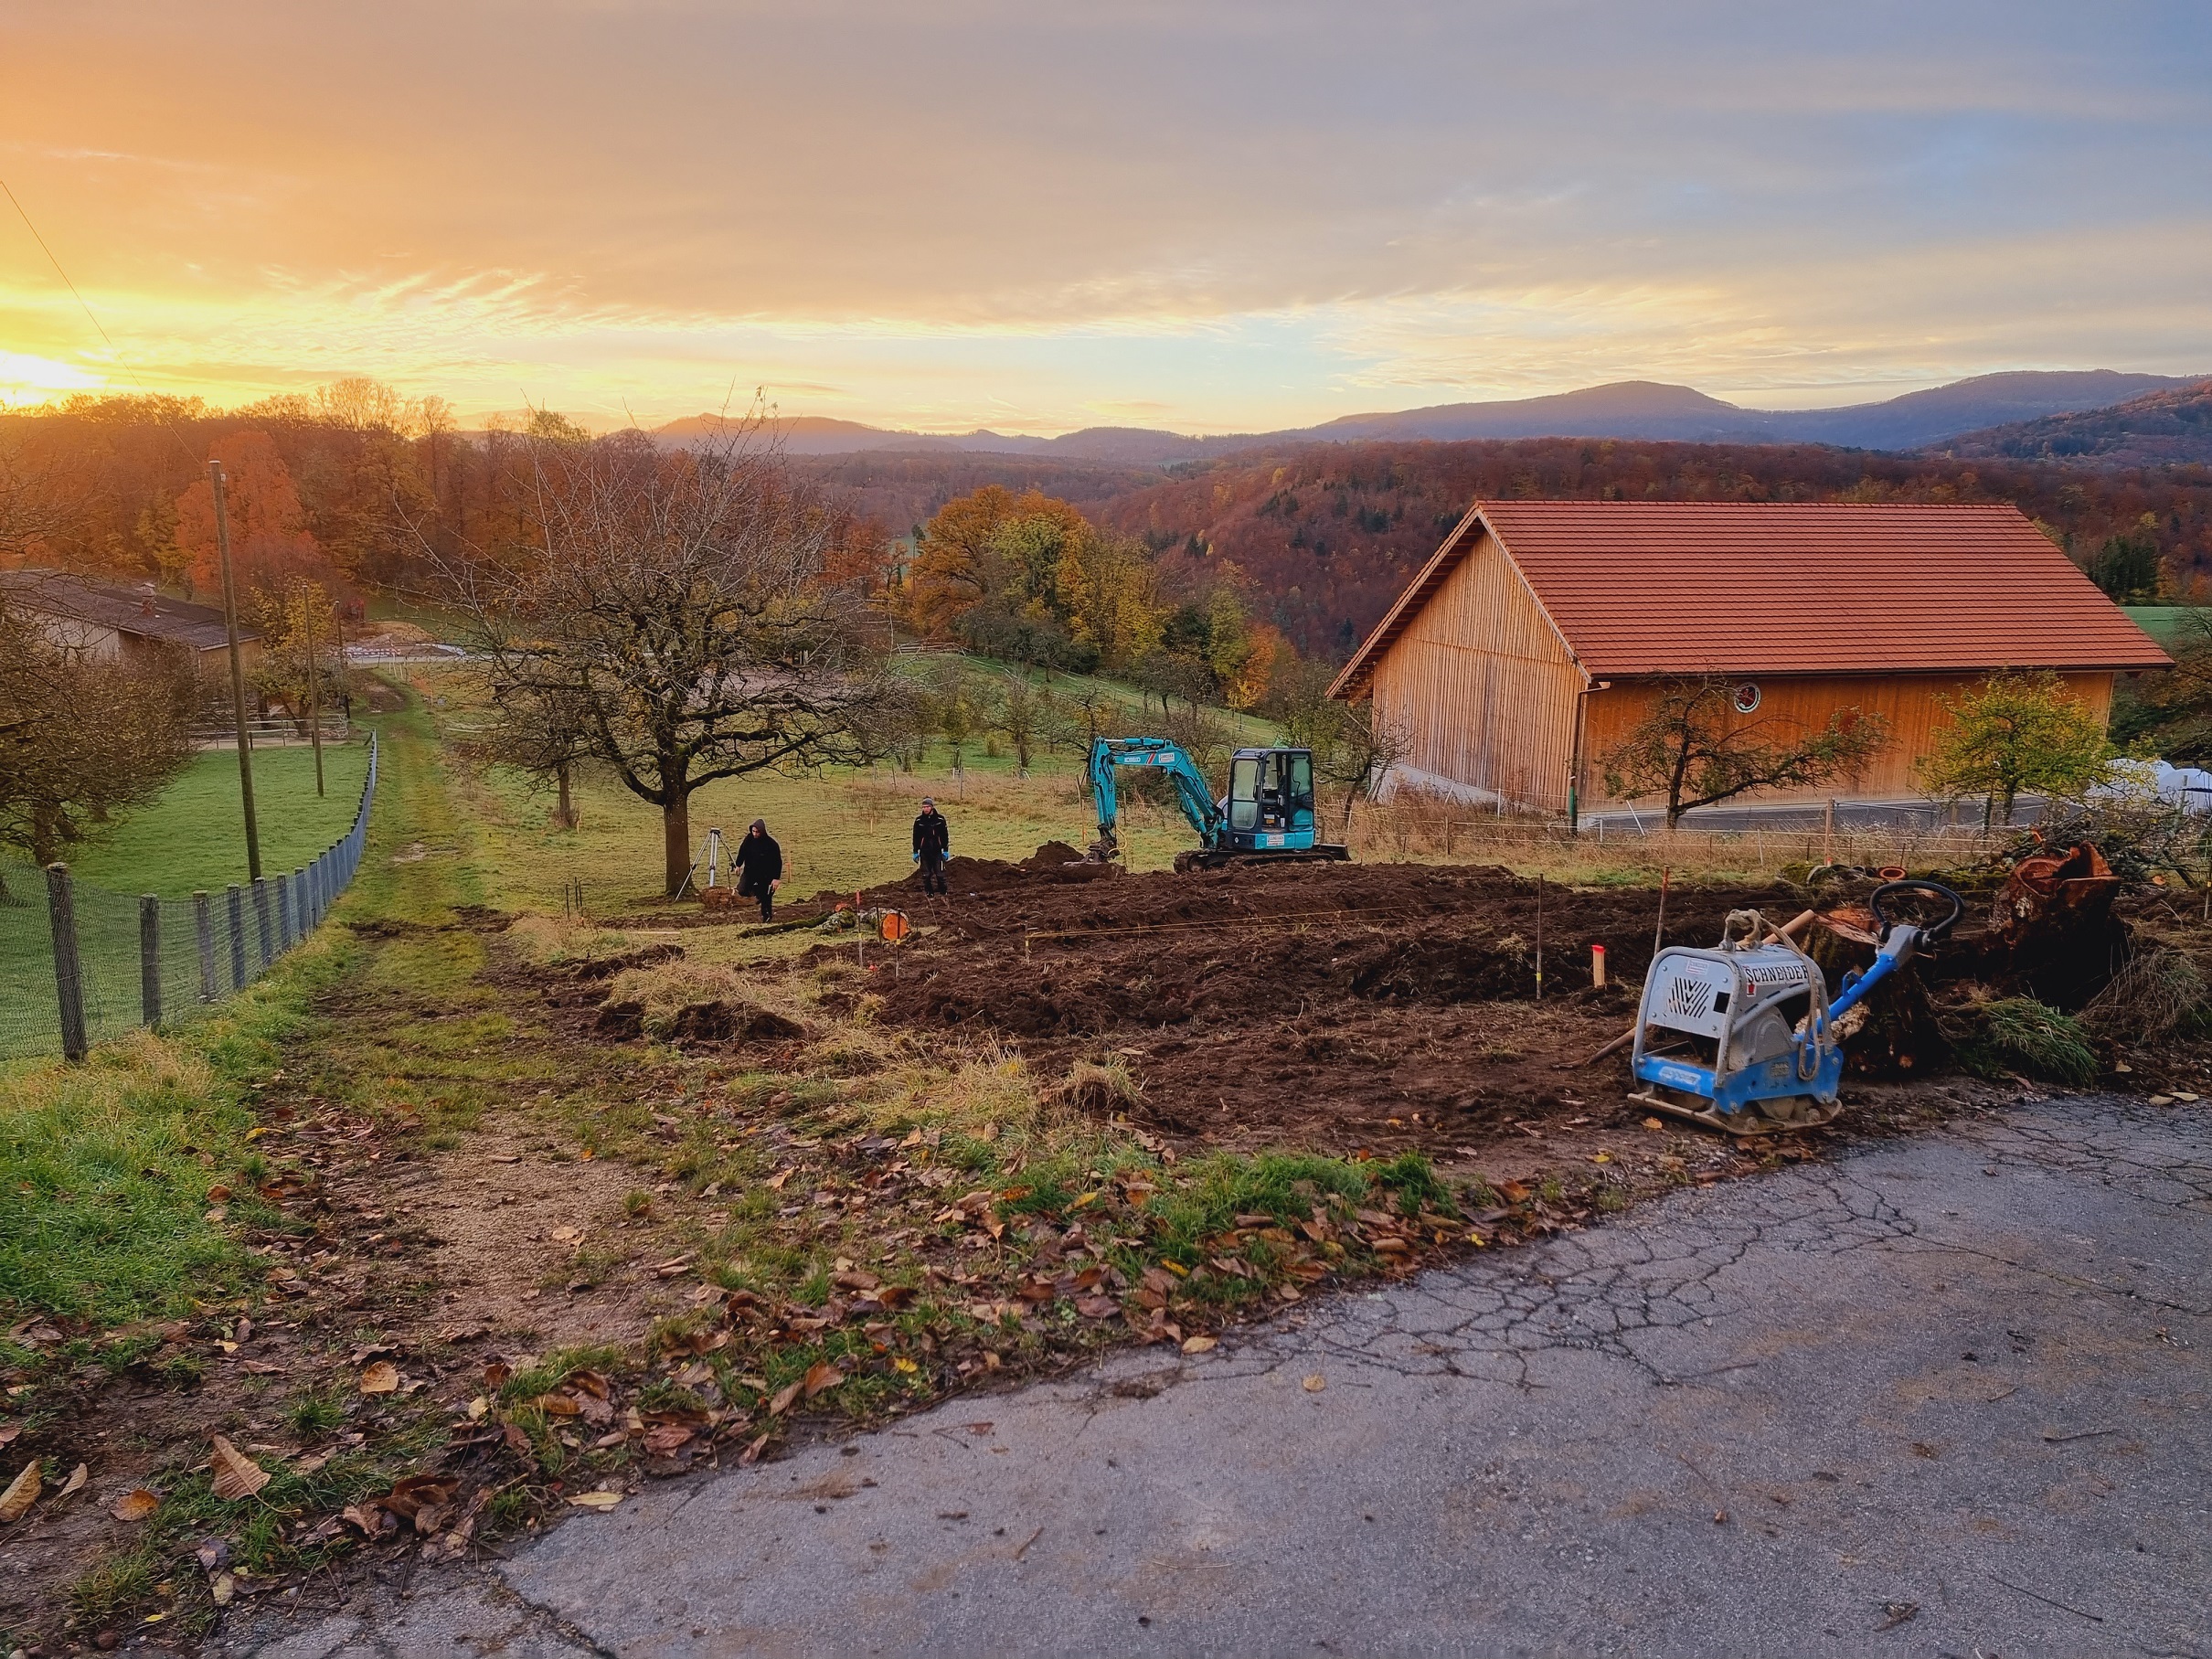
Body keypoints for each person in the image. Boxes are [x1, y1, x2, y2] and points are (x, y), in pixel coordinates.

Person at [733, 819, 782, 920]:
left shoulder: (772, 844)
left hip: (765, 874)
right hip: (750, 871)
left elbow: (778, 862)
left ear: (762, 831)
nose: (755, 834)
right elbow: (742, 851)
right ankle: (759, 894)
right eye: (753, 831)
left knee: (766, 898)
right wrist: (738, 865)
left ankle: (767, 917)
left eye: (757, 832)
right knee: (742, 889)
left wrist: (776, 878)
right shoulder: (749, 839)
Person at [912, 796, 951, 896]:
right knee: (926, 875)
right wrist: (915, 851)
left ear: (932, 807)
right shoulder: (919, 821)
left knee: (940, 874)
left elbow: (944, 835)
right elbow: (916, 837)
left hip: (937, 851)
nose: (925, 809)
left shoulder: (940, 819)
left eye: (927, 807)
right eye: (924, 807)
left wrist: (945, 850)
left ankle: (943, 892)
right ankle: (929, 894)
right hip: (925, 852)